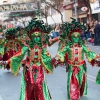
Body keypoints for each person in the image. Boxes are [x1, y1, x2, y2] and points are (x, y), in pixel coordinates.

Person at [0, 19, 59, 100]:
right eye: (34, 36)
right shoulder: (27, 46)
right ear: (31, 37)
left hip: (39, 68)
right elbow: (19, 55)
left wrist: (54, 60)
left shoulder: (42, 47)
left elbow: (46, 57)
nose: (36, 38)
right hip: (29, 68)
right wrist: (7, 61)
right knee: (30, 85)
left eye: (38, 37)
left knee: (39, 85)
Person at [54, 18, 100, 100]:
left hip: (81, 67)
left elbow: (90, 53)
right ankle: (73, 97)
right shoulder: (68, 46)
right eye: (74, 37)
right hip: (72, 67)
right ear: (71, 37)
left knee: (81, 82)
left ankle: (78, 92)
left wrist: (96, 58)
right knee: (73, 83)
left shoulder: (82, 46)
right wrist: (57, 58)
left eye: (77, 37)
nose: (76, 38)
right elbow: (61, 52)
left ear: (79, 37)